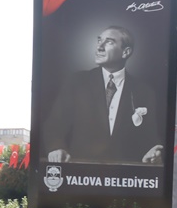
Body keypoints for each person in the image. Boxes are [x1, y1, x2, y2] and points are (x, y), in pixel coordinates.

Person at [46, 25, 163, 164]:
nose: (99, 47)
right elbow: (54, 125)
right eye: (99, 40)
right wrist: (56, 148)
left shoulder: (144, 92)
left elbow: (151, 139)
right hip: (80, 176)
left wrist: (154, 153)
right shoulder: (77, 82)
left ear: (125, 52)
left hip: (126, 178)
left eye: (109, 42)